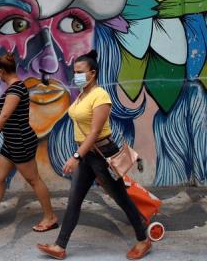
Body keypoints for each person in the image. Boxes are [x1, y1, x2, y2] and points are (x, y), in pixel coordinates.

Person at [37, 50, 152, 260]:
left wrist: (75, 157)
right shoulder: (82, 95)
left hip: (101, 154)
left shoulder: (101, 96)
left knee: (121, 198)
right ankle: (60, 246)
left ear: (93, 73)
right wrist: (81, 155)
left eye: (80, 72)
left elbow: (94, 133)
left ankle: (143, 240)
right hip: (87, 155)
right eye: (74, 72)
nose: (76, 76)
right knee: (74, 200)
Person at [0, 53, 58, 232]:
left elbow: (4, 116)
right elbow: (11, 118)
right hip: (11, 140)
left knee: (33, 179)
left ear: (2, 71)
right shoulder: (13, 88)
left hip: (21, 141)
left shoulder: (16, 89)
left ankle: (50, 217)